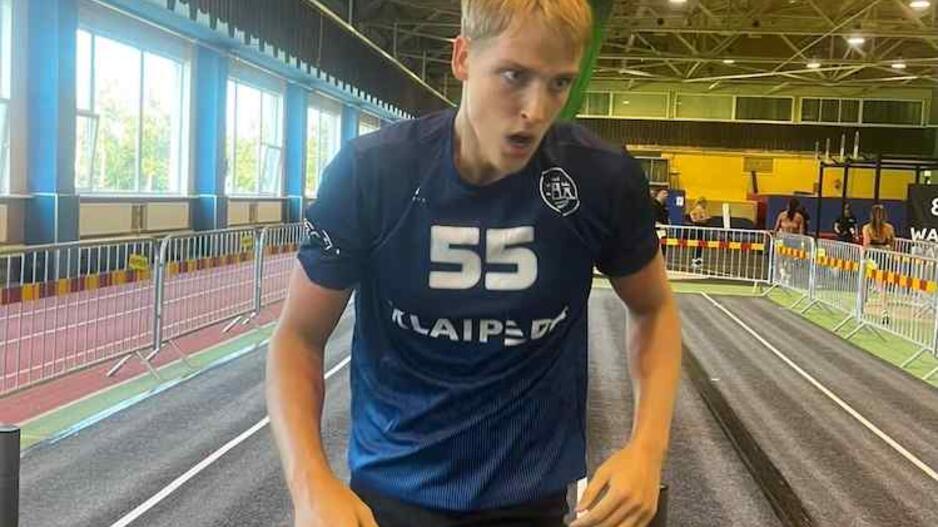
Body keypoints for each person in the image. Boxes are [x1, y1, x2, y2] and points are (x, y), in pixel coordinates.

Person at [266, 2, 682, 527]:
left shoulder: (600, 179)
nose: (535, 110)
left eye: (559, 83)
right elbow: (298, 337)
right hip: (388, 499)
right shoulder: (373, 173)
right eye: (514, 76)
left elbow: (654, 309)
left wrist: (646, 450)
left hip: (531, 503)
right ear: (463, 57)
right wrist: (310, 484)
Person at [688, 197, 710, 269]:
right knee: (699, 244)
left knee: (697, 244)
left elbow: (692, 215)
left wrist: (694, 219)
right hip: (700, 227)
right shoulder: (700, 209)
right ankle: (697, 260)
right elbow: (705, 218)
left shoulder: (696, 209)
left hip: (697, 227)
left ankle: (696, 260)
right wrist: (702, 219)